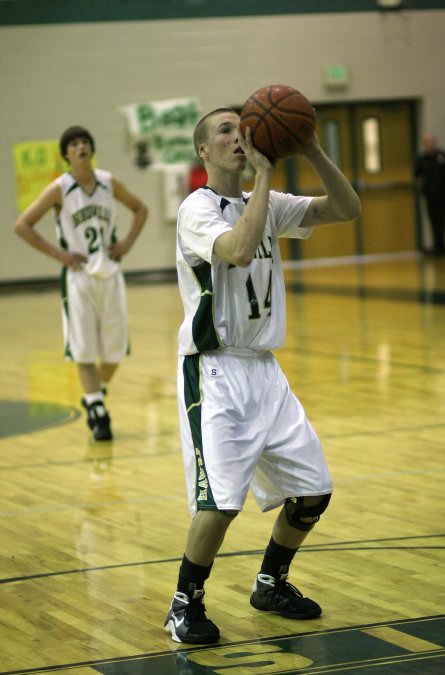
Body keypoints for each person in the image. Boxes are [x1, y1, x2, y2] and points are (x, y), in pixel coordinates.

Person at [164, 108, 361, 644]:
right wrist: (267, 175)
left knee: (313, 492)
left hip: (265, 370)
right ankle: (185, 604)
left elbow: (347, 209)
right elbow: (239, 248)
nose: (236, 137)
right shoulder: (196, 209)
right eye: (223, 131)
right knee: (221, 503)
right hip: (215, 371)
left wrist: (311, 149)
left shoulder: (267, 203)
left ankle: (271, 582)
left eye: (240, 127)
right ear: (204, 151)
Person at [14, 125, 148, 441]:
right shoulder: (59, 189)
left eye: (85, 141)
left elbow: (141, 209)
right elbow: (23, 225)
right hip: (78, 279)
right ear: (67, 155)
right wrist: (58, 254)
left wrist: (127, 242)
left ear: (91, 149)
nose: (81, 146)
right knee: (85, 350)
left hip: (110, 275)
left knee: (114, 354)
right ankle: (99, 412)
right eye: (74, 143)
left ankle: (93, 396)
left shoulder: (107, 181)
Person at [415, 133, 445, 256]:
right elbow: (417, 176)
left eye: (431, 142)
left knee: (442, 221)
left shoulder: (442, 156)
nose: (429, 145)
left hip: (443, 194)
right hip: (430, 196)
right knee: (433, 221)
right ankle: (436, 247)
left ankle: (442, 246)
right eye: (427, 143)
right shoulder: (422, 159)